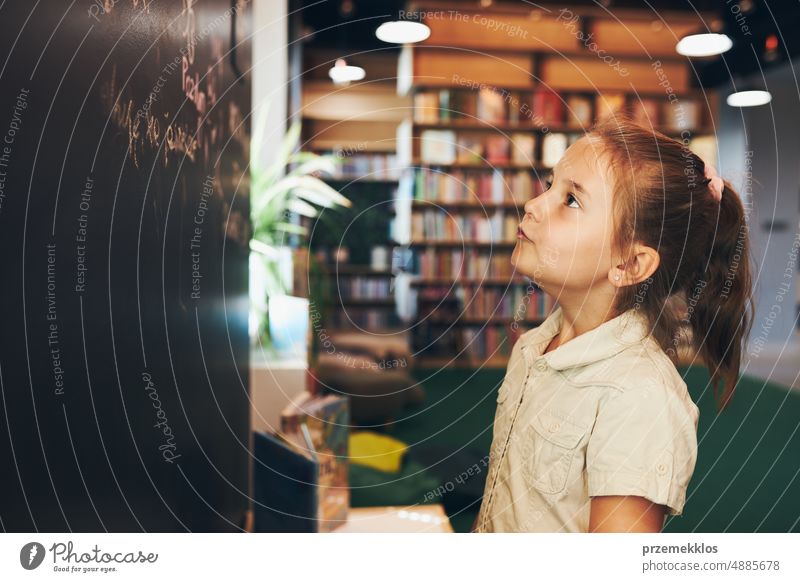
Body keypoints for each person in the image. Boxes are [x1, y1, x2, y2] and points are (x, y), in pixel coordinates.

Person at [473, 116, 755, 533]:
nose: (533, 204)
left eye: (570, 200)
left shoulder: (639, 400)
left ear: (630, 264)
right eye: (551, 184)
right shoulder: (531, 346)